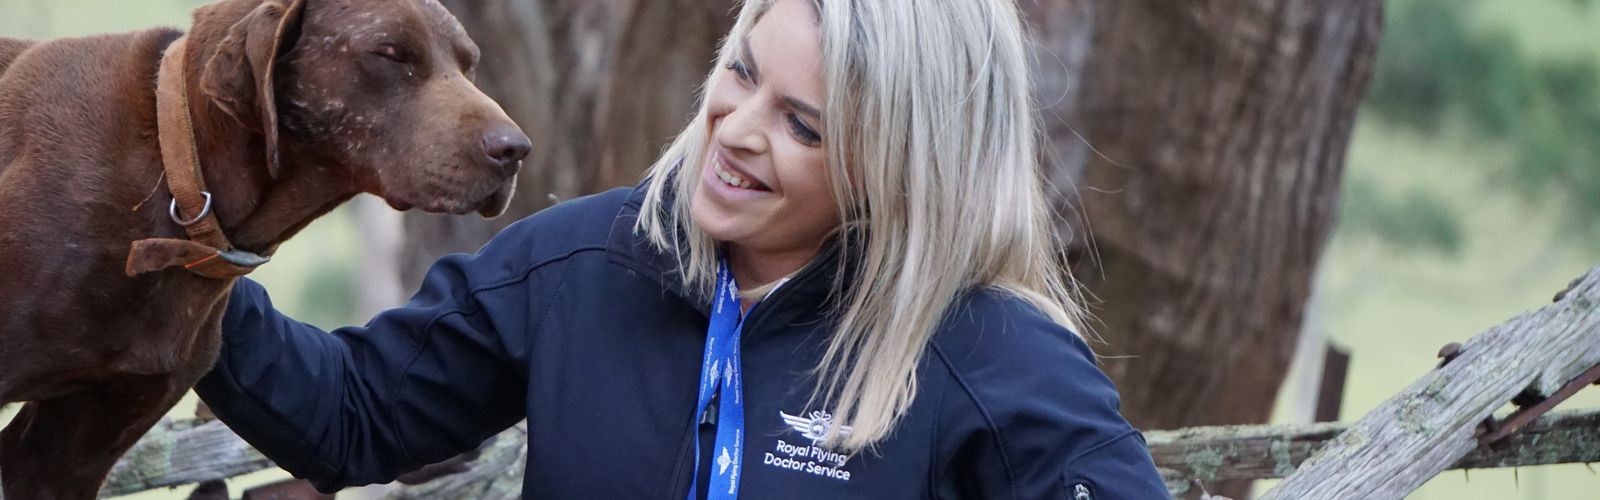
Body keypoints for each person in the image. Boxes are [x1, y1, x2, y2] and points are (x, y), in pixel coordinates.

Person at [195, 0, 1169, 498]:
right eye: (740, 74)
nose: (736, 128)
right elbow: (349, 410)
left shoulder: (988, 351)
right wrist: (190, 245)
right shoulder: (581, 264)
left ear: (895, 165)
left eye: (801, 123)